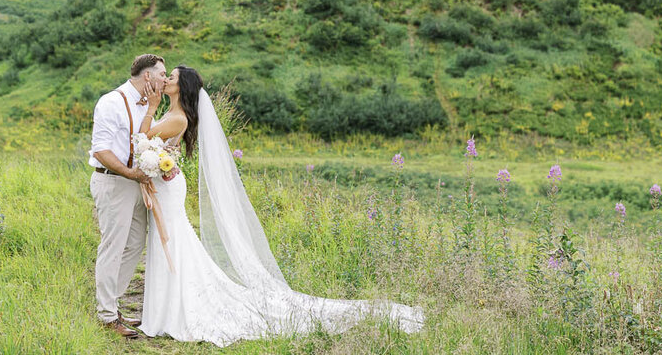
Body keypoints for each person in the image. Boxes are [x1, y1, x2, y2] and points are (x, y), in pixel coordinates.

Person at [136, 65, 424, 346]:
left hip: (169, 187)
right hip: (166, 182)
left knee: (173, 241)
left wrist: (150, 110)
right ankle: (165, 309)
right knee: (171, 242)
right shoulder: (172, 112)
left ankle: (173, 310)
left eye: (170, 77)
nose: (165, 80)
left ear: (180, 86)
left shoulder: (177, 117)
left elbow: (142, 138)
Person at [88, 53, 167, 338]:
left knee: (135, 243)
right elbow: (101, 150)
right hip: (113, 182)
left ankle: (111, 304)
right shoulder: (111, 102)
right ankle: (107, 316)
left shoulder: (147, 105)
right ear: (147, 76)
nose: (165, 79)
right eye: (161, 74)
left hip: (137, 184)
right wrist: (130, 173)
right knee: (113, 245)